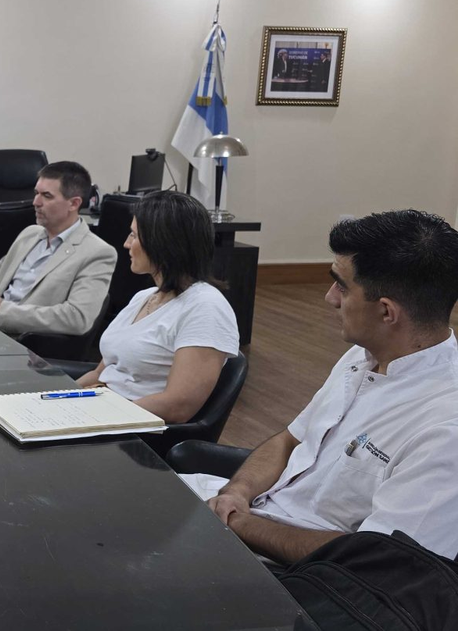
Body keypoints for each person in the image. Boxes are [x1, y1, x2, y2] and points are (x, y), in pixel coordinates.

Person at [185, 210, 458, 565]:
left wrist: (238, 524)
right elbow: (290, 440)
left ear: (387, 312)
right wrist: (237, 492)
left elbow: (377, 561)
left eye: (341, 286)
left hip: (299, 575)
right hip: (251, 516)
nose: (330, 297)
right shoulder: (362, 355)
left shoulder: (444, 430)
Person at [76, 191, 239, 423]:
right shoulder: (143, 297)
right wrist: (55, 398)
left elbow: (178, 406)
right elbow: (101, 373)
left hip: (133, 430)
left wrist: (97, 417)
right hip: (101, 409)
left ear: (163, 243)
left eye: (134, 235)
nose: (126, 243)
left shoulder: (206, 308)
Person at [0, 161, 115, 337]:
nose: (36, 202)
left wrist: (2, 310)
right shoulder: (30, 234)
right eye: (36, 193)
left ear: (74, 204)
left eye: (47, 196)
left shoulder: (97, 253)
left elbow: (77, 318)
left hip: (22, 343)